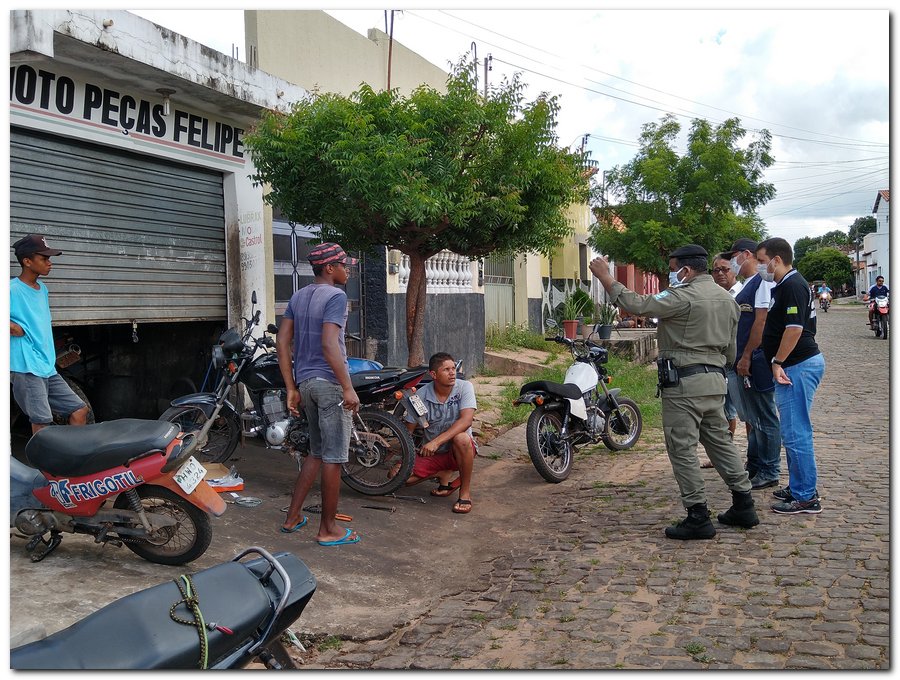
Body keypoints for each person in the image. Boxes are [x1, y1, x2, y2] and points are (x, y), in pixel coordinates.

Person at [589, 245, 758, 540]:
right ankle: (744, 504)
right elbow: (731, 351)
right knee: (720, 442)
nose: (672, 275)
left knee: (682, 448)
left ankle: (698, 516)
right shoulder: (727, 300)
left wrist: (606, 277)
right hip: (714, 381)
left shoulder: (681, 296)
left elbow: (639, 304)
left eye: (673, 269)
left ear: (686, 270)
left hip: (684, 384)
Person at [277, 242, 361, 545]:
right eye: (343, 264)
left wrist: (291, 387)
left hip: (307, 384)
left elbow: (282, 342)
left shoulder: (298, 296)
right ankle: (328, 529)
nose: (347, 269)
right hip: (330, 385)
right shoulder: (336, 297)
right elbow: (329, 344)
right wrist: (347, 387)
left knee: (316, 451)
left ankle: (292, 517)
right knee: (334, 458)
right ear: (329, 268)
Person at [756, 237, 825, 514]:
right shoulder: (784, 285)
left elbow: (794, 329)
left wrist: (777, 361)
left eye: (762, 261)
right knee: (792, 431)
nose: (760, 267)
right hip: (794, 365)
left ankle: (806, 496)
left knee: (796, 433)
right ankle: (799, 485)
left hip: (796, 365)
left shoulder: (793, 285)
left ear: (776, 260)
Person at [10, 234, 89, 435]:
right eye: (44, 258)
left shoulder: (42, 289)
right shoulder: (11, 289)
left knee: (79, 410)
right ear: (27, 261)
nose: (49, 263)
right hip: (27, 367)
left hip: (46, 366)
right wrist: (12, 327)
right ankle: (42, 458)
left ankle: (72, 453)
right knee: (42, 423)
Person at [723, 238, 782, 490]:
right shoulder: (749, 284)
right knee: (754, 418)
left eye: (734, 256)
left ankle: (770, 469)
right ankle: (755, 464)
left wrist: (747, 355)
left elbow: (760, 322)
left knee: (765, 417)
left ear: (746, 254)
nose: (732, 262)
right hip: (745, 359)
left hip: (757, 359)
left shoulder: (762, 283)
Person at [399, 352, 477, 514]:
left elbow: (466, 421)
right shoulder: (420, 395)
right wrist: (406, 459)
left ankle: (465, 493)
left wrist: (435, 442)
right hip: (433, 455)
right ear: (433, 374)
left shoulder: (464, 387)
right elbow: (408, 430)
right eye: (446, 370)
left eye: (453, 368)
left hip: (458, 451)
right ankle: (442, 473)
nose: (452, 373)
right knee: (397, 476)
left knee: (462, 438)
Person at [711, 253, 745, 443]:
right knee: (724, 410)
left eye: (725, 269)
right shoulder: (711, 295)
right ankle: (726, 448)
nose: (720, 273)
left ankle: (753, 453)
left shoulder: (743, 293)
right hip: (718, 360)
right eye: (716, 270)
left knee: (747, 412)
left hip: (740, 359)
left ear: (735, 271)